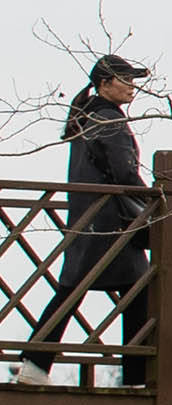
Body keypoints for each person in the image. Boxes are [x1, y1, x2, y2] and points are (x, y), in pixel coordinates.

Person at [13, 55, 155, 387]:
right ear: (105, 83)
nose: (132, 86)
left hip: (88, 217)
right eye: (125, 79)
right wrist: (156, 200)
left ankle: (35, 365)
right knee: (138, 290)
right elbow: (124, 173)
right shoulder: (109, 121)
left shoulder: (86, 117)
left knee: (73, 290)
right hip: (112, 223)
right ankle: (135, 377)